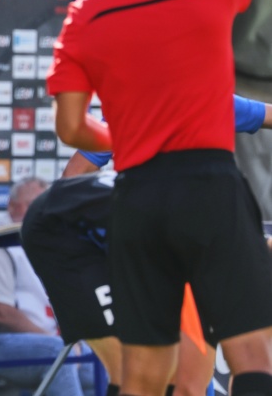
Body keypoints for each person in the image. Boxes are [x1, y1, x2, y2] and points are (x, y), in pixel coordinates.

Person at [47, 0, 272, 395]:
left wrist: (131, 139)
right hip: (210, 187)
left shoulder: (87, 11)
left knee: (145, 376)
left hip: (137, 195)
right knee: (251, 355)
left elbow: (71, 127)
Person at [23, 95, 272, 396]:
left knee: (185, 380)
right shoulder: (164, 105)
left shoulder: (198, 101)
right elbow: (70, 179)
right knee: (145, 376)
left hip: (179, 237)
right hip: (75, 232)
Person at [0, 177, 93, 396]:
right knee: (59, 353)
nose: (40, 212)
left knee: (103, 357)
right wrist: (56, 340)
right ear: (11, 206)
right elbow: (0, 314)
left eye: (44, 206)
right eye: (31, 204)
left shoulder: (43, 241)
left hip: (39, 339)